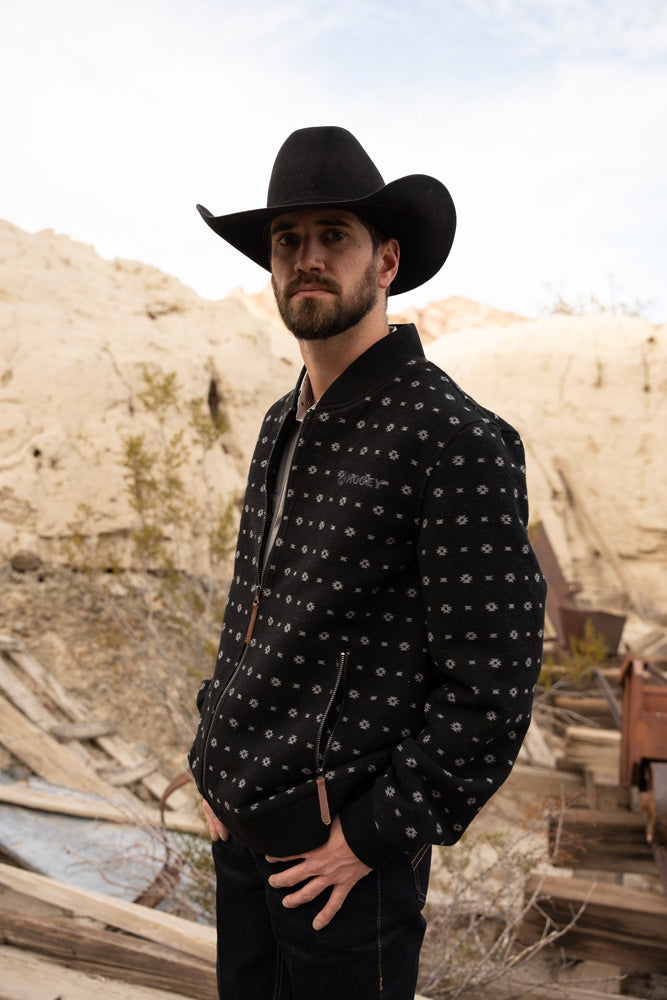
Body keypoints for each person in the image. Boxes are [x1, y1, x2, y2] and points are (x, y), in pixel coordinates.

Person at [188, 126, 546, 1000]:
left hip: (343, 869)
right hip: (239, 836)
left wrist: (375, 832)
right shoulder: (283, 421)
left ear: (385, 261)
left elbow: (492, 687)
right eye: (287, 241)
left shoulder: (453, 439)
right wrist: (211, 750)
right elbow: (253, 611)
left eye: (333, 237)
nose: (307, 258)